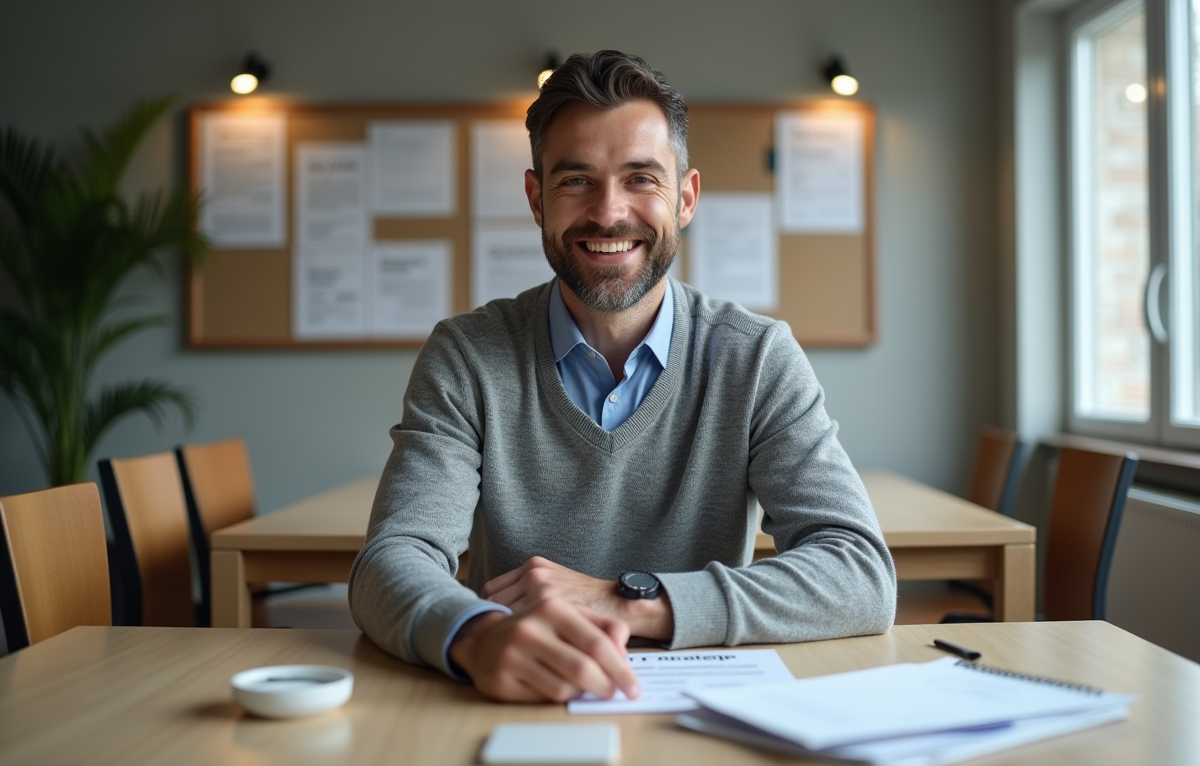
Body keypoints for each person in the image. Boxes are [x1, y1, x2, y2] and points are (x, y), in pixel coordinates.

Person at [348, 50, 896, 703]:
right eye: (576, 180)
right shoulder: (467, 355)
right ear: (536, 197)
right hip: (521, 699)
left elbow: (859, 573)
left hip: (707, 708)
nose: (609, 213)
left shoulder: (756, 358)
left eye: (641, 178)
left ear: (685, 197)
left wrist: (629, 602)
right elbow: (391, 560)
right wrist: (476, 634)